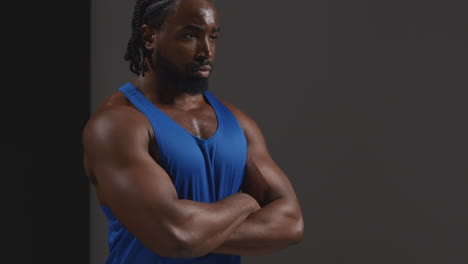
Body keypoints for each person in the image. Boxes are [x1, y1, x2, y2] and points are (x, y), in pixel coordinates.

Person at [82, 0, 304, 263]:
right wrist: (243, 202)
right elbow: (176, 236)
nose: (206, 52)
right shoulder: (118, 125)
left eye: (213, 37)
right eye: (190, 35)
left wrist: (195, 236)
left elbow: (291, 222)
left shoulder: (238, 123)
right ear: (149, 37)